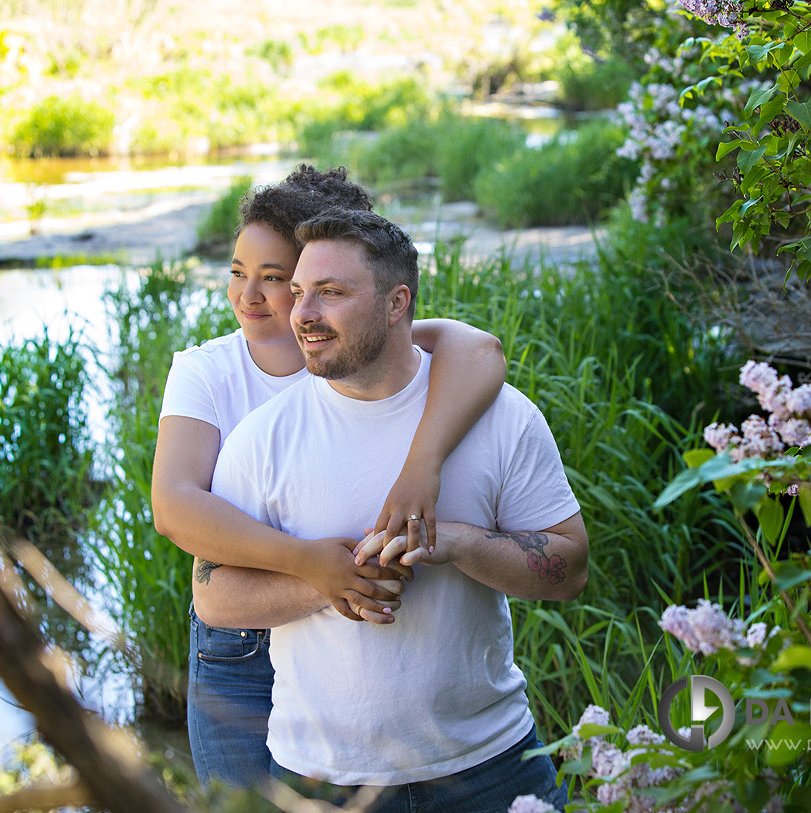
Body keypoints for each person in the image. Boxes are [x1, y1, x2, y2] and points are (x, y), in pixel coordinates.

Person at [210, 208, 588, 812]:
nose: (301, 313)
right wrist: (326, 580)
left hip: (489, 766)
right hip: (323, 780)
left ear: (396, 303)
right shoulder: (262, 439)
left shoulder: (499, 415)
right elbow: (213, 595)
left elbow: (570, 571)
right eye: (300, 292)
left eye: (330, 293)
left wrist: (460, 544)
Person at [150, 165, 508, 790]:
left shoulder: (363, 344)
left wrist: (421, 464)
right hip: (239, 640)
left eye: (275, 279)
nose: (248, 297)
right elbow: (176, 507)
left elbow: (480, 353)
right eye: (237, 272)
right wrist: (307, 563)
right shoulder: (208, 370)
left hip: (350, 648)